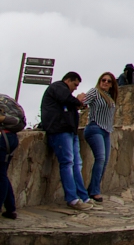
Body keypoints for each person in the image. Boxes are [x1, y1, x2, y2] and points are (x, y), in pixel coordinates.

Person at [41, 72, 92, 209]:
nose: (75, 88)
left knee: (76, 164)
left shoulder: (65, 96)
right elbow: (67, 99)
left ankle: (83, 196)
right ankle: (72, 199)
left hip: (70, 132)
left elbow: (70, 103)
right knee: (67, 163)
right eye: (74, 84)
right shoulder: (58, 87)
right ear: (68, 80)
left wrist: (78, 104)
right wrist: (79, 101)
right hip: (59, 131)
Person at [81, 72, 118, 201]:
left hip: (106, 131)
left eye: (109, 81)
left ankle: (92, 189)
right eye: (103, 80)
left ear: (112, 85)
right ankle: (95, 191)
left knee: (105, 161)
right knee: (100, 158)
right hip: (94, 127)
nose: (105, 82)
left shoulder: (110, 97)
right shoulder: (95, 92)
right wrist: (80, 100)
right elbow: (83, 103)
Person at [0, 109, 17, 220]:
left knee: (1, 176)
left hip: (3, 139)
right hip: (11, 138)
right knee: (3, 175)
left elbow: (13, 120)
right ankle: (10, 209)